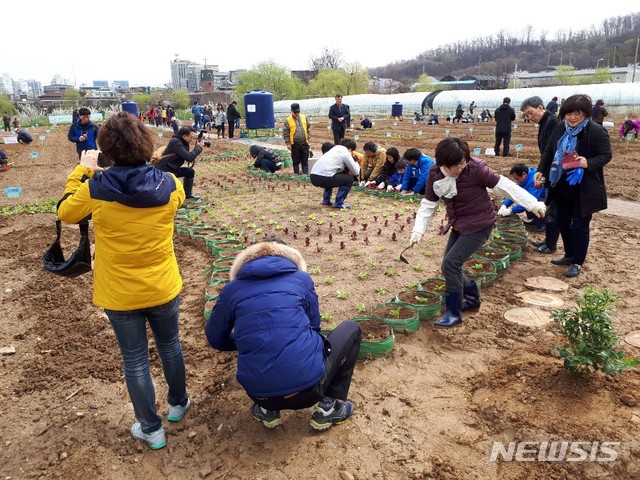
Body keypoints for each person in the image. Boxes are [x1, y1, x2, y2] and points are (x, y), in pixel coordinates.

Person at [56, 112, 190, 450]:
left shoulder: (95, 189)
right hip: (162, 284)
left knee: (135, 360)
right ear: (144, 145)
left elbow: (66, 213)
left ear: (107, 151)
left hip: (119, 291)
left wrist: (84, 169)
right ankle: (178, 404)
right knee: (170, 346)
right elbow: (171, 195)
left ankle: (151, 429)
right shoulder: (170, 185)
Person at [205, 238, 361, 430]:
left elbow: (215, 338)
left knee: (262, 358)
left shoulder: (232, 290)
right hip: (309, 390)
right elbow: (314, 325)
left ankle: (267, 410)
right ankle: (328, 408)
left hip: (258, 394)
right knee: (351, 329)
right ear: (288, 257)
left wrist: (250, 340)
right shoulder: (301, 280)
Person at [410, 137, 546, 327]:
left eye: (462, 163)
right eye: (453, 166)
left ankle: (454, 313)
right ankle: (472, 299)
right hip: (459, 224)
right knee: (448, 266)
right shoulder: (434, 173)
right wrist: (418, 231)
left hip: (480, 224)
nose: (459, 169)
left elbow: (506, 186)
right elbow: (428, 204)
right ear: (442, 164)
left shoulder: (476, 168)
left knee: (450, 263)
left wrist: (532, 204)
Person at [535, 93, 612, 278]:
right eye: (568, 113)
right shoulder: (561, 127)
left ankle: (577, 261)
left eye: (577, 113)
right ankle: (569, 255)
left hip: (583, 187)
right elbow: (549, 150)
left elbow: (606, 155)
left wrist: (587, 163)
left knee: (580, 225)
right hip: (561, 182)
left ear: (585, 113)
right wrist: (541, 170)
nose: (572, 117)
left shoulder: (595, 131)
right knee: (562, 221)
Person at [521, 95, 560, 254]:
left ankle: (551, 245)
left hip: (555, 172)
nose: (530, 117)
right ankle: (549, 241)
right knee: (550, 208)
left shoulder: (552, 122)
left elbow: (550, 151)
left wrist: (542, 172)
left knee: (553, 210)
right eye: (526, 115)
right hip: (550, 170)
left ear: (541, 107)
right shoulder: (545, 122)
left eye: (531, 113)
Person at [155, 126, 205, 200]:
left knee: (190, 172)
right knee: (171, 191)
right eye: (191, 137)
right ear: (184, 136)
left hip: (173, 168)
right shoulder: (175, 142)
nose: (192, 139)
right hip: (165, 171)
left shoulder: (182, 142)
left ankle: (188, 195)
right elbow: (189, 157)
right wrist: (198, 148)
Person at [310, 139, 360, 209]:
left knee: (331, 174)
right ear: (350, 149)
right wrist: (355, 162)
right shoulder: (345, 152)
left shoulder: (333, 150)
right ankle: (339, 203)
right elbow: (356, 171)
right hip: (324, 178)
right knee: (349, 179)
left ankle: (326, 201)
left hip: (313, 177)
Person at [498, 163, 546, 231]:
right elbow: (516, 193)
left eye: (517, 179)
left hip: (545, 199)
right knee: (525, 200)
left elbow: (530, 201)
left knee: (531, 204)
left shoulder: (534, 180)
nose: (517, 181)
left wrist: (511, 210)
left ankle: (542, 224)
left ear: (523, 174)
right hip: (537, 198)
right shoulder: (524, 179)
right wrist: (505, 205)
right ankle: (535, 220)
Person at [282, 103, 311, 175]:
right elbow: (286, 132)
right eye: (295, 112)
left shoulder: (304, 118)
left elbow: (308, 128)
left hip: (304, 143)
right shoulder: (288, 120)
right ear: (291, 111)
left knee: (305, 161)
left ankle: (305, 175)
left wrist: (308, 137)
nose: (297, 113)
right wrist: (288, 143)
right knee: (296, 161)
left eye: (298, 112)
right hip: (294, 144)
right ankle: (296, 174)